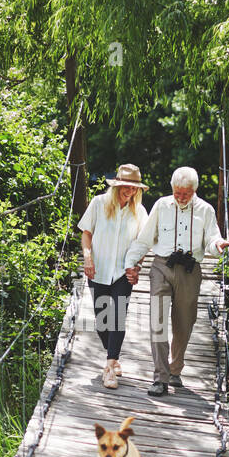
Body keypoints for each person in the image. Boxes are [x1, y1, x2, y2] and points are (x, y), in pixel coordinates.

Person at [123, 166, 229, 396]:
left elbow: (212, 239)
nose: (181, 197)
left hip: (189, 270)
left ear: (194, 190)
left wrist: (219, 245)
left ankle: (175, 370)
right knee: (157, 321)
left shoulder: (205, 210)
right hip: (161, 267)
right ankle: (160, 377)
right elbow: (145, 238)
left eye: (185, 193)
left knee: (184, 325)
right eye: (177, 192)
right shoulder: (161, 205)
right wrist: (130, 262)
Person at [78, 163, 149, 389]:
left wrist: (137, 266)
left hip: (122, 272)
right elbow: (86, 234)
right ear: (117, 186)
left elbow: (143, 244)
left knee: (118, 316)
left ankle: (109, 368)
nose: (130, 192)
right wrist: (87, 258)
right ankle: (114, 356)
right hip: (97, 270)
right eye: (126, 187)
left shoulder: (140, 212)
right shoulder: (99, 204)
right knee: (102, 322)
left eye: (134, 188)